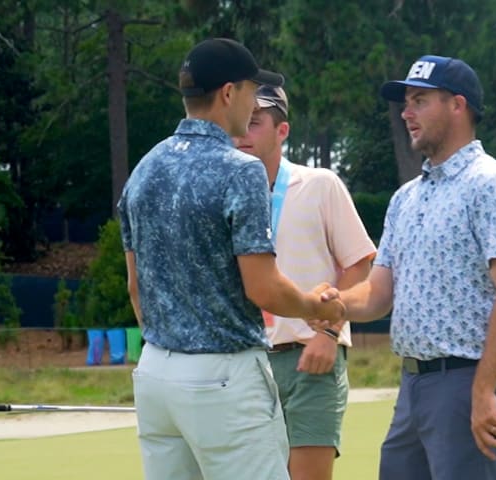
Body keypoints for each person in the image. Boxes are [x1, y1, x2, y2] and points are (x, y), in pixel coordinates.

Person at [117, 38, 346, 480]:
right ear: (227, 93)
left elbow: (135, 286)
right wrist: (318, 310)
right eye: (250, 90)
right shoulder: (240, 170)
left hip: (155, 373)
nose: (252, 101)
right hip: (223, 376)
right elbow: (262, 288)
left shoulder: (145, 168)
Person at [328, 55, 496, 479]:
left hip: (467, 381)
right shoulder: (406, 198)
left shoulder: (490, 184)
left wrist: (482, 389)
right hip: (414, 388)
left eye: (420, 100)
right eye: (406, 102)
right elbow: (378, 293)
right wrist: (334, 303)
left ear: (458, 106)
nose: (406, 113)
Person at [233, 85, 377, 480]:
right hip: (243, 365)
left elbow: (359, 263)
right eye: (239, 122)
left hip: (307, 359)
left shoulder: (320, 184)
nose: (242, 134)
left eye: (255, 123)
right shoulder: (221, 194)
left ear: (282, 132)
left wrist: (329, 333)